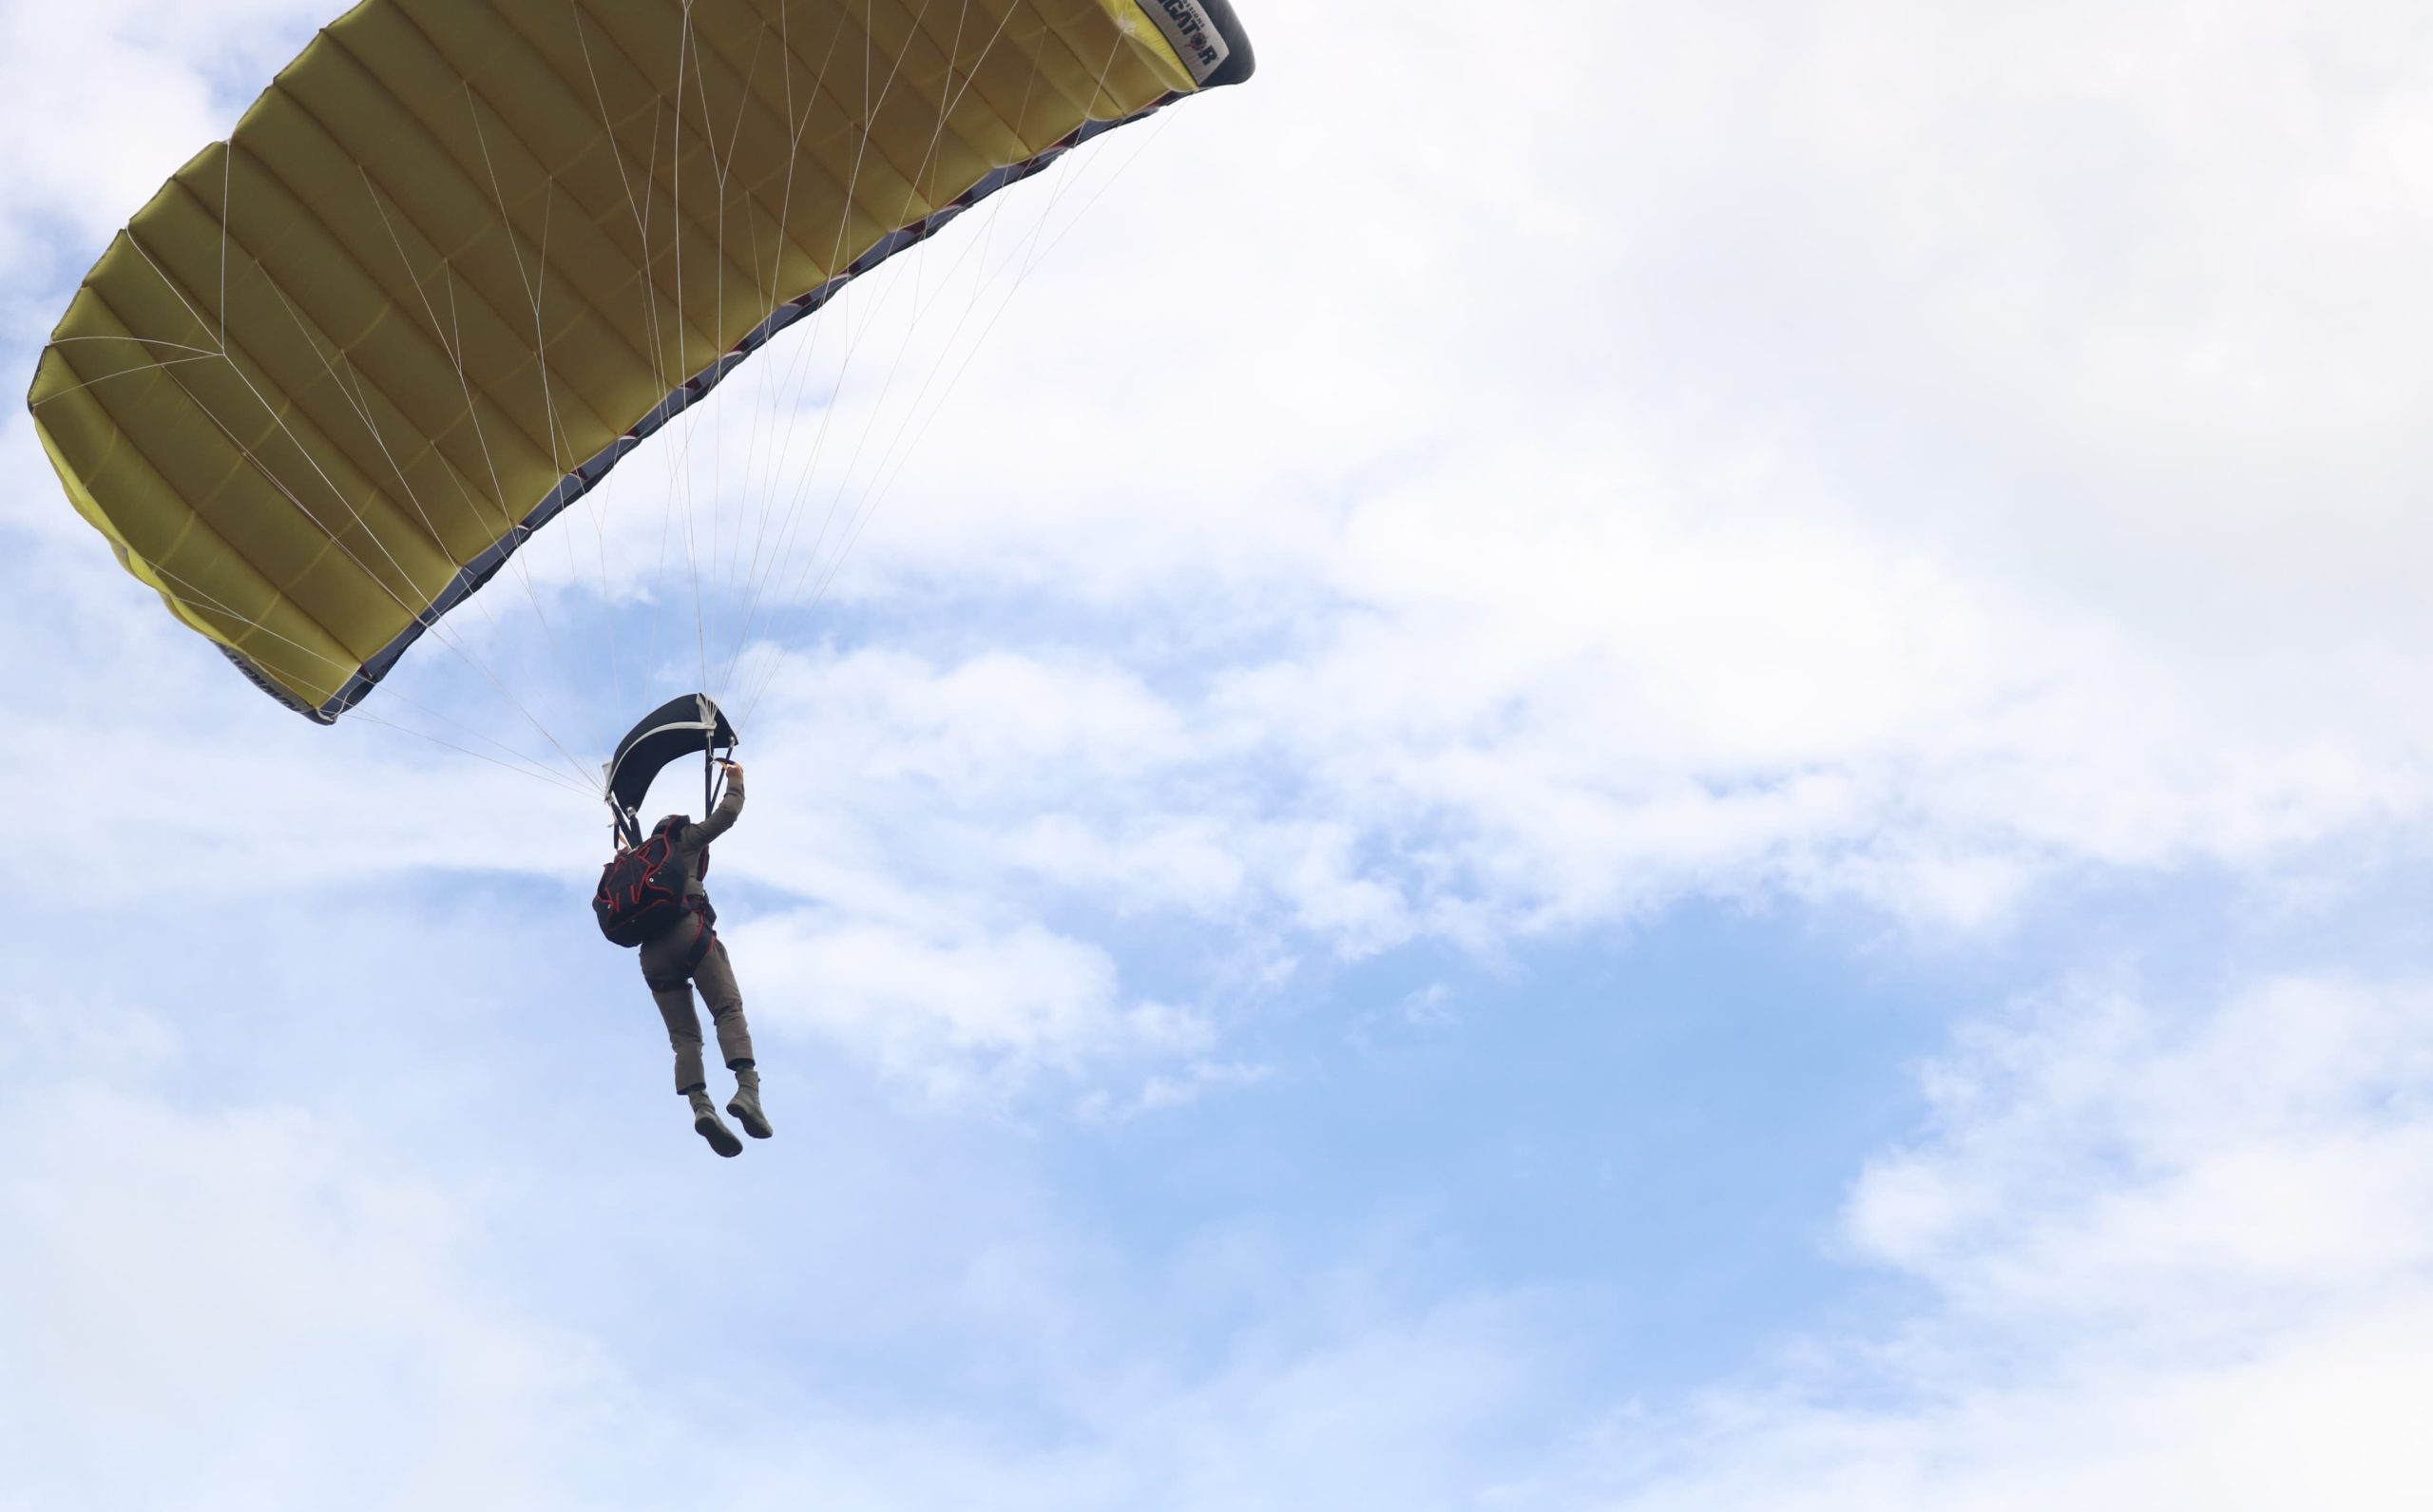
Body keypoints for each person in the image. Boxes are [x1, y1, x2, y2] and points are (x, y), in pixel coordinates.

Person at [637, 758, 771, 1157]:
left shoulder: (635, 864)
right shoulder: (685, 841)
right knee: (728, 1009)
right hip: (689, 933)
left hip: (652, 956)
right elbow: (726, 814)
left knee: (684, 1040)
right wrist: (736, 779)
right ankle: (747, 1090)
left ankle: (700, 1106)